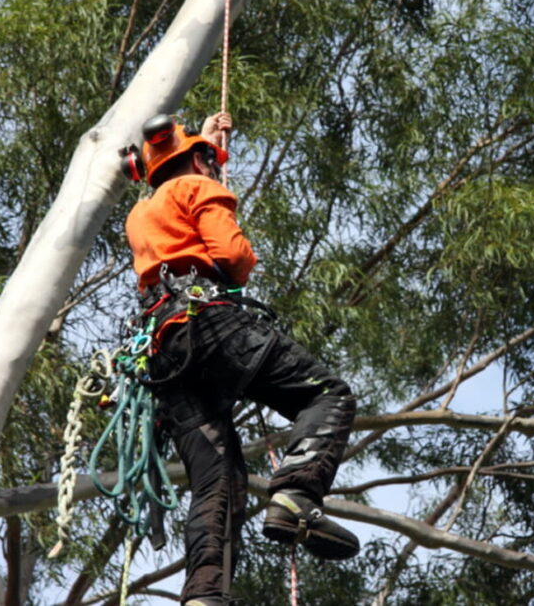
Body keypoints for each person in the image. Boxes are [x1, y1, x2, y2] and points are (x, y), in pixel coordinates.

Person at [123, 111, 359, 606]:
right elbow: (232, 258)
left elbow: (175, 198)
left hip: (165, 353)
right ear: (196, 163)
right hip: (211, 325)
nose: (213, 167)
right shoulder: (196, 188)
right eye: (207, 160)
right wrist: (203, 165)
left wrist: (203, 144)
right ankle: (296, 496)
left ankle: (205, 594)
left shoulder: (141, 213)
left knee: (217, 477)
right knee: (327, 394)